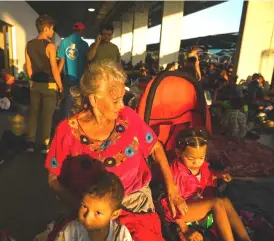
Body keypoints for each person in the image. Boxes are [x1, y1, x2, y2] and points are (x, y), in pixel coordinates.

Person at [45, 60, 187, 240]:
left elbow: (156, 147)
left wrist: (173, 191)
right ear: (94, 99)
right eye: (115, 100)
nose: (121, 105)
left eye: (122, 98)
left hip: (134, 205)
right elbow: (53, 178)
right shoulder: (67, 131)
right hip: (91, 212)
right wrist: (85, 209)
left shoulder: (128, 117)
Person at [158, 128, 251, 241]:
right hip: (177, 212)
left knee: (225, 201)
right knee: (216, 203)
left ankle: (246, 239)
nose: (197, 162)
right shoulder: (176, 172)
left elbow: (204, 178)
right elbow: (167, 204)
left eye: (201, 158)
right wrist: (185, 229)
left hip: (194, 203)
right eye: (191, 158)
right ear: (178, 153)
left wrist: (218, 175)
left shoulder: (201, 167)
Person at [54, 171, 133, 241]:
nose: (88, 218)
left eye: (98, 213)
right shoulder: (70, 231)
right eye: (84, 206)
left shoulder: (121, 235)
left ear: (114, 214)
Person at [25, 14, 63, 154]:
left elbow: (28, 69)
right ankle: (44, 144)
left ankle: (30, 141)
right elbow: (54, 69)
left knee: (33, 113)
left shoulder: (29, 45)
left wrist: (34, 80)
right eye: (52, 29)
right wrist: (60, 85)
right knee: (47, 115)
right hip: (49, 85)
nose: (52, 32)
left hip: (34, 84)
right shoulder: (50, 46)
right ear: (46, 29)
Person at [58, 22, 89, 118]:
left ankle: (66, 125)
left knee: (67, 103)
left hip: (68, 78)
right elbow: (86, 63)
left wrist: (56, 78)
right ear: (82, 31)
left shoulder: (64, 42)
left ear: (73, 29)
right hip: (80, 78)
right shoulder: (84, 45)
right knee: (80, 103)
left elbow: (61, 62)